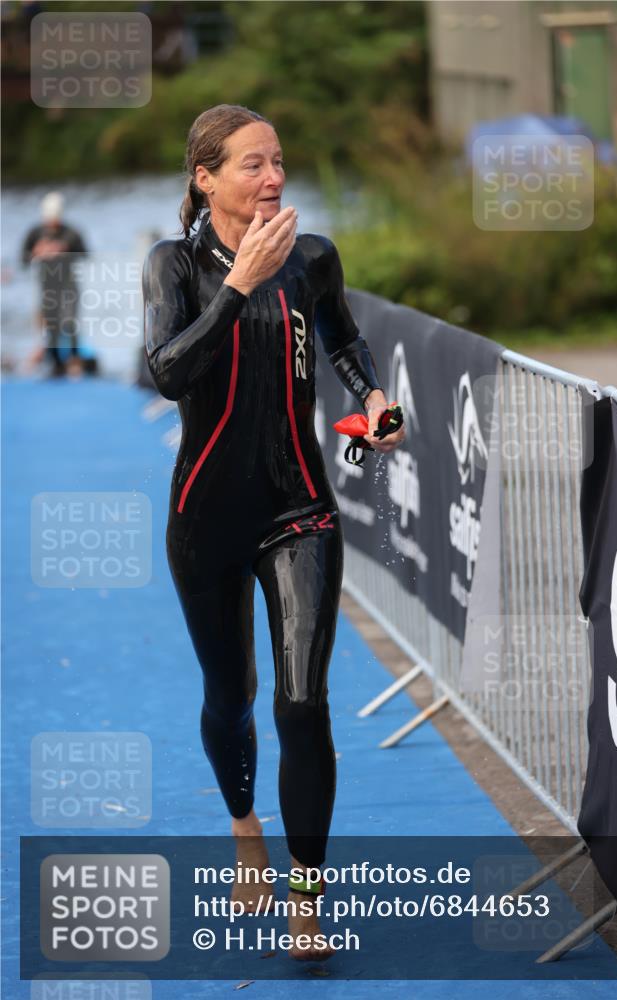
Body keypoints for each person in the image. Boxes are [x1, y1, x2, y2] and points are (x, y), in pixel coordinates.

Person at [142, 104, 405, 960]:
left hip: (301, 510)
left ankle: (305, 897)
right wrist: (237, 288)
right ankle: (244, 826)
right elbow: (168, 371)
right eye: (252, 164)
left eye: (278, 161)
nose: (273, 178)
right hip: (205, 518)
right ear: (205, 178)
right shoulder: (172, 265)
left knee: (303, 703)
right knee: (232, 699)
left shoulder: (312, 256)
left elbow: (344, 341)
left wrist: (373, 399)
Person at [21, 191, 88, 377]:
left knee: (70, 322)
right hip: (47, 287)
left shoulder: (71, 233)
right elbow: (23, 259)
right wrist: (37, 252)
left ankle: (74, 362)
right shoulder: (35, 233)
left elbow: (85, 254)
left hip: (68, 285)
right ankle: (55, 364)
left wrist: (64, 251)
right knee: (51, 326)